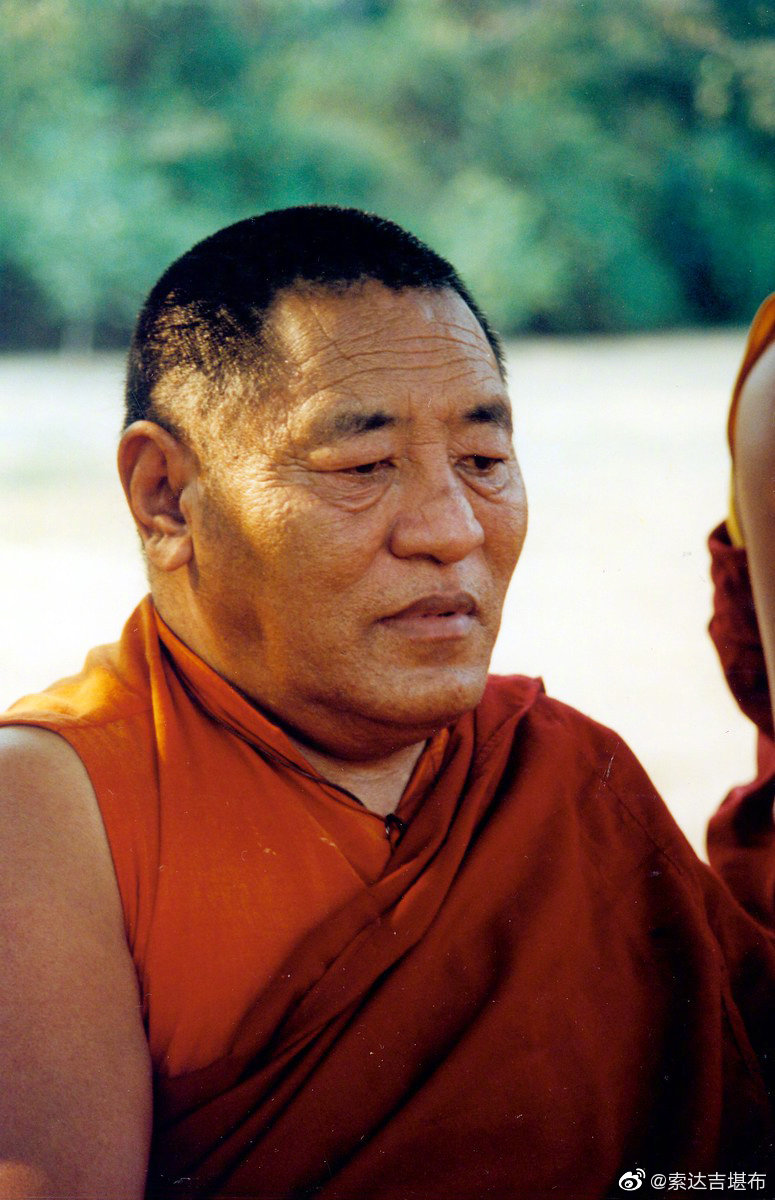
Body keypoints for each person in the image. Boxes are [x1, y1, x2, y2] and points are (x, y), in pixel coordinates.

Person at [0, 207, 773, 1200]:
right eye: (363, 469)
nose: (450, 531)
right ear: (165, 496)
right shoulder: (53, 813)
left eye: (482, 462)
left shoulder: (570, 773)